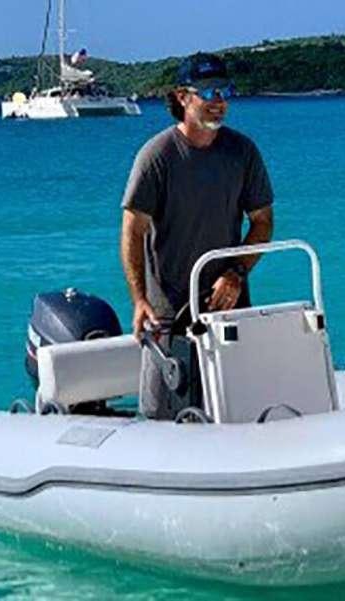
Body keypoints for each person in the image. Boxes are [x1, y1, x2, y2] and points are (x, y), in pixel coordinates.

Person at [120, 53, 274, 419]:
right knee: (162, 418)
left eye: (224, 91)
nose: (219, 100)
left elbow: (263, 222)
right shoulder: (157, 156)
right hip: (169, 313)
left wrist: (236, 273)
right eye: (208, 92)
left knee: (236, 413)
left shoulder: (243, 152)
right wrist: (139, 300)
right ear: (182, 97)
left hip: (228, 307)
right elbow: (133, 230)